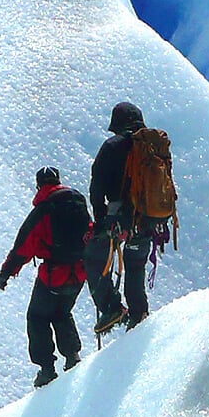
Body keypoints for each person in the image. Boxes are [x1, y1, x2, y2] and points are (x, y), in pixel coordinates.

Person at [0, 167, 91, 387]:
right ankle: (72, 356)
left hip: (53, 275)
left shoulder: (44, 209)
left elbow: (23, 247)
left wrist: (6, 274)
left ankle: (47, 369)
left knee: (37, 317)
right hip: (79, 273)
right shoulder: (77, 202)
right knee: (62, 311)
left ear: (39, 185)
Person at [86, 102, 160, 333]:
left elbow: (97, 187)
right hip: (149, 216)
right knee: (136, 264)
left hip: (118, 215)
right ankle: (139, 314)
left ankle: (112, 307)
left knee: (93, 258)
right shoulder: (153, 145)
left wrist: (100, 220)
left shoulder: (112, 146)